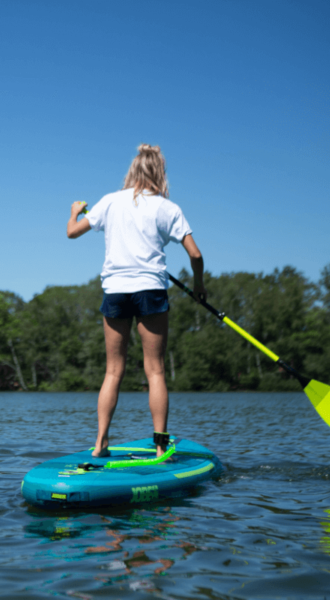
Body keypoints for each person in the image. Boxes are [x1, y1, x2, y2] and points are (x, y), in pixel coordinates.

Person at [67, 144, 207, 458]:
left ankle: (101, 442)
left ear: (132, 170)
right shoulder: (168, 208)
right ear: (159, 173)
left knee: (113, 371)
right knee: (155, 371)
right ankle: (160, 445)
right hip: (150, 290)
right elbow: (195, 254)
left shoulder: (109, 202)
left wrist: (75, 211)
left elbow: (72, 232)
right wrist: (199, 286)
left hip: (115, 290)